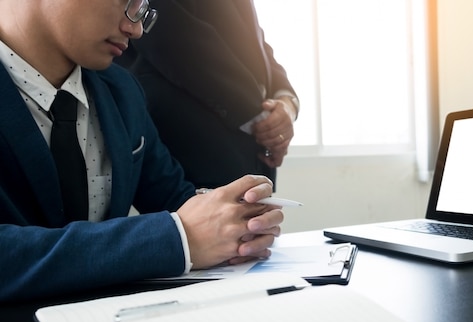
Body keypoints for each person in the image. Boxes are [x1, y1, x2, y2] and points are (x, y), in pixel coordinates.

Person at [0, 0, 284, 302]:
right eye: (127, 3)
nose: (135, 29)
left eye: (142, 10)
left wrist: (234, 224)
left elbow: (174, 199)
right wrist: (174, 239)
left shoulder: (122, 91)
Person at [118, 0, 299, 190]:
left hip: (248, 155)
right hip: (193, 151)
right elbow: (171, 35)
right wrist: (262, 122)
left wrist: (286, 102)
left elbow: (256, 44)